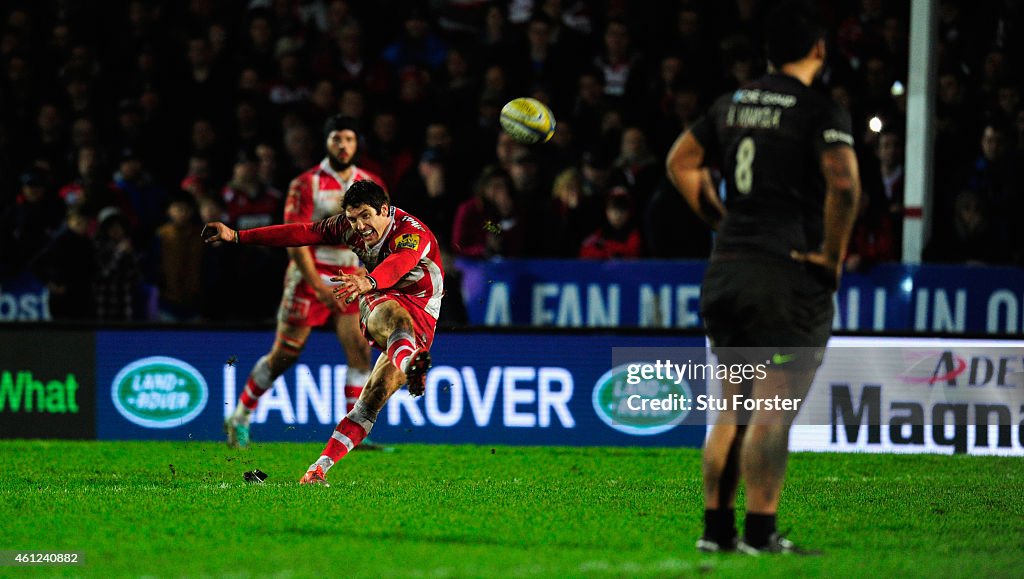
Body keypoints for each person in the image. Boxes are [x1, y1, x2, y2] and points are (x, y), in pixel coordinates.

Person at [666, 0, 860, 555]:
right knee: (773, 405)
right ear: (818, 49)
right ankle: (760, 532)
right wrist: (832, 255)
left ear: (770, 53)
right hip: (785, 272)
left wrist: (721, 223)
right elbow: (844, 184)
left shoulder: (731, 104)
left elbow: (680, 161)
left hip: (727, 268)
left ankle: (716, 531)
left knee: (731, 404)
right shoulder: (818, 109)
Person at [203, 180, 442, 484]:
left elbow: (399, 263)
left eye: (366, 216)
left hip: (420, 309)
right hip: (381, 296)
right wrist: (237, 236)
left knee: (372, 400)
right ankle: (411, 364)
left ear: (384, 209)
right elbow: (301, 232)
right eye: (354, 218)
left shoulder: (411, 233)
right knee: (391, 315)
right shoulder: (345, 225)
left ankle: (317, 469)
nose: (359, 226)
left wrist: (369, 281)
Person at [222, 115, 382, 449]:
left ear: (357, 144)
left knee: (358, 353)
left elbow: (380, 235)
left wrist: (370, 277)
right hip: (309, 277)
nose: (343, 146)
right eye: (337, 139)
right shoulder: (305, 183)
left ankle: (355, 433)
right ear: (326, 143)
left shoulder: (370, 183)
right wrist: (319, 286)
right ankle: (240, 416)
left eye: (349, 139)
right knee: (285, 355)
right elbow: (296, 239)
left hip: (351, 278)